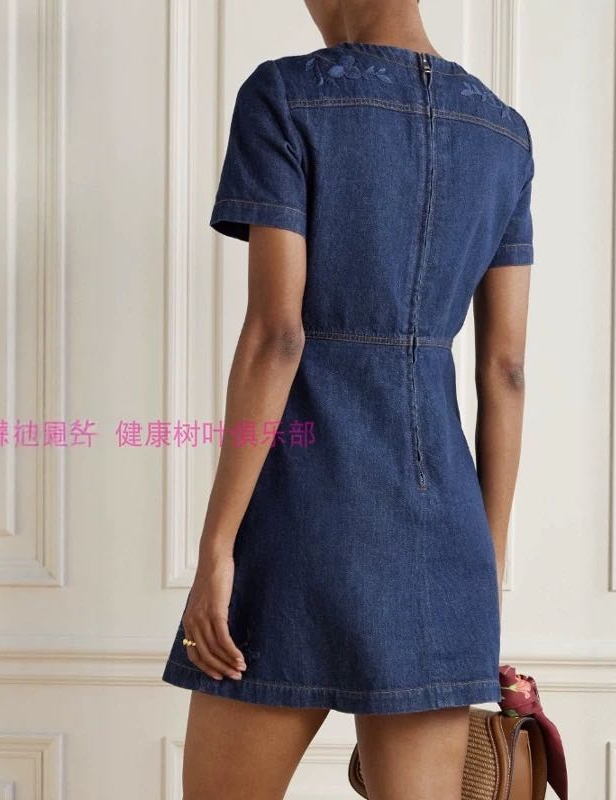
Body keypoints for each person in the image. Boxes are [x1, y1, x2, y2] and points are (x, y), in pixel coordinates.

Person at [161, 0, 534, 797]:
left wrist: (217, 547)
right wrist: (487, 567)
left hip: (297, 518)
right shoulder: (504, 134)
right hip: (444, 542)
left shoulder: (285, 96)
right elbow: (505, 370)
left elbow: (277, 334)